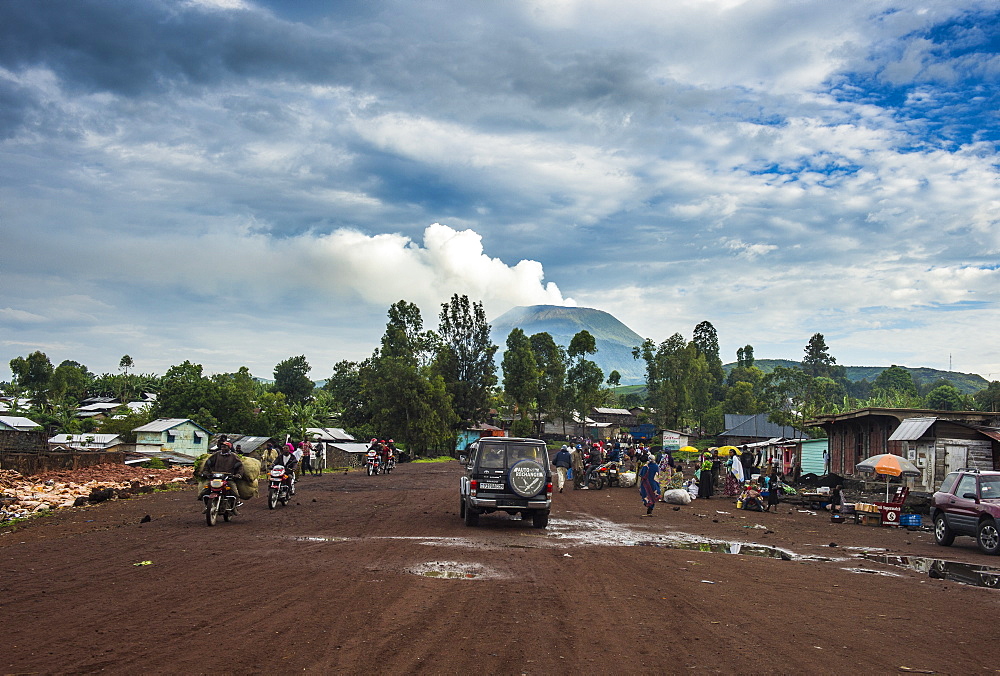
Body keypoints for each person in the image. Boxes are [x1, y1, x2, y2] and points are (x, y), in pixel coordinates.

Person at [200, 441, 245, 507]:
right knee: (204, 491)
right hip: (215, 477)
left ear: (229, 448)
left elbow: (240, 466)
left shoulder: (233, 456)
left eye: (225, 446)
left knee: (234, 492)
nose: (222, 448)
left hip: (228, 478)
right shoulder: (216, 454)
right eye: (222, 446)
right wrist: (205, 472)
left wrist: (238, 475)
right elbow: (208, 463)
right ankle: (207, 505)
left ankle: (236, 502)